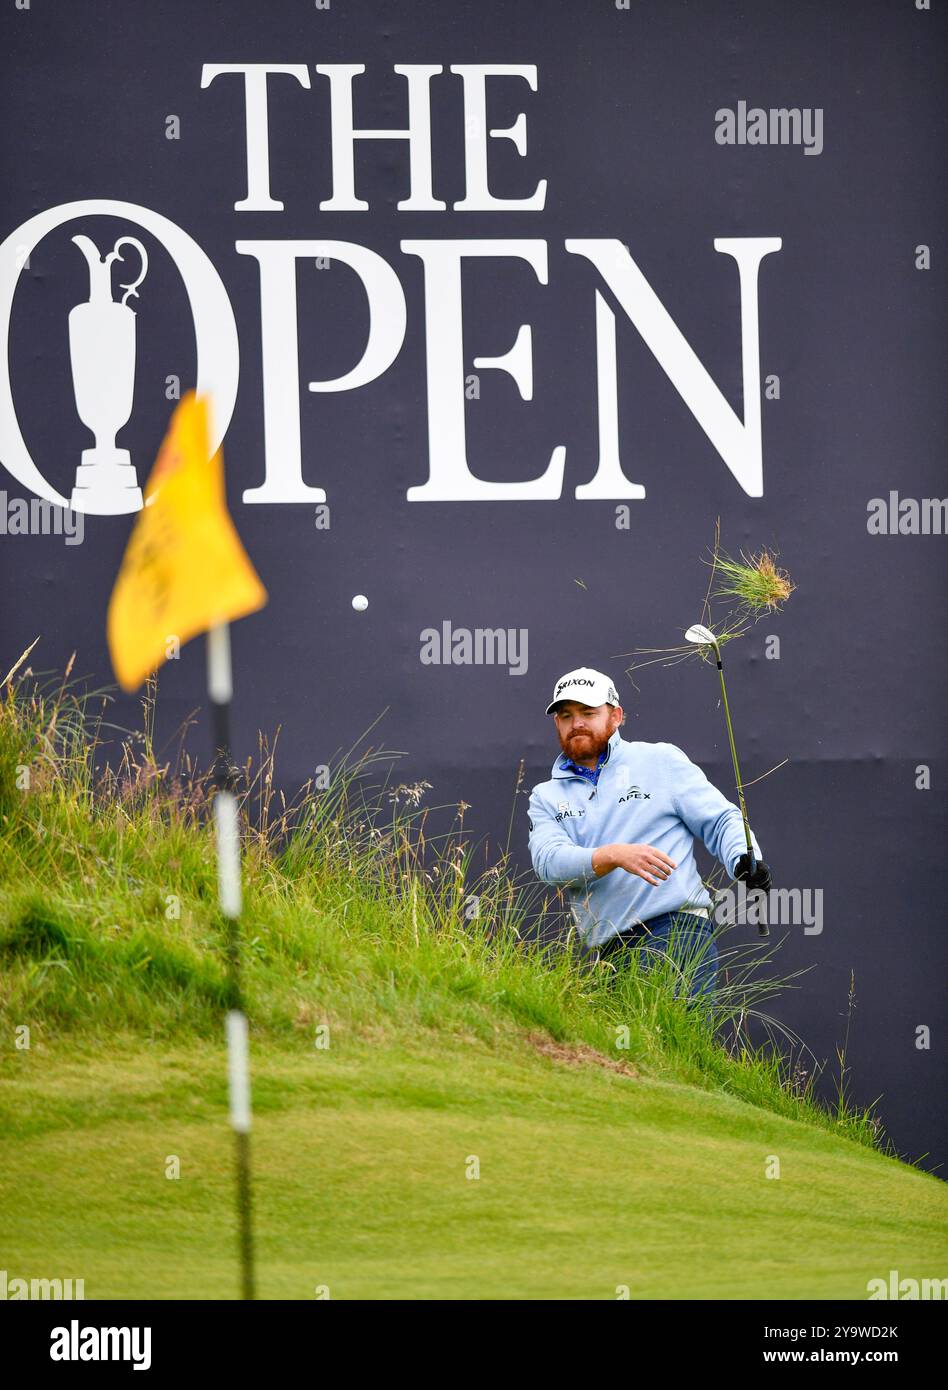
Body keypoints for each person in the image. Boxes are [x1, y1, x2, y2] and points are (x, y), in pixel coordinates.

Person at [526, 667, 772, 998]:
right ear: (557, 723)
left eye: (588, 712)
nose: (577, 723)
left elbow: (720, 819)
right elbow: (549, 862)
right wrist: (613, 855)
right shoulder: (546, 796)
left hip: (676, 932)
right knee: (633, 1049)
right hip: (610, 952)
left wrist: (744, 857)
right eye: (566, 715)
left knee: (664, 1040)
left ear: (615, 716)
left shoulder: (659, 761)